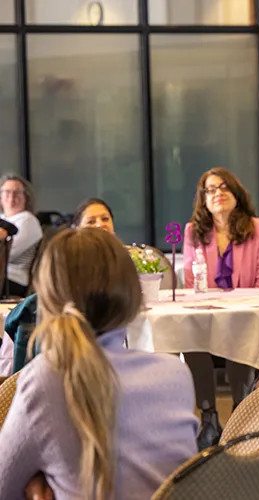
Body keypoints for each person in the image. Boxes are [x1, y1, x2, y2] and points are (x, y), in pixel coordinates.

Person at [0, 228, 198, 499]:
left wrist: (39, 487)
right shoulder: (176, 374)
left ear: (47, 298)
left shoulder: (44, 379)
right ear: (133, 294)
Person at [182, 167, 259, 449]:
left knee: (239, 333)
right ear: (203, 199)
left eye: (224, 187)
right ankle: (209, 417)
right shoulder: (192, 232)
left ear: (236, 194)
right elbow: (192, 284)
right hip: (208, 315)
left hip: (246, 316)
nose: (218, 194)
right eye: (211, 189)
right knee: (190, 339)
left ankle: (240, 413)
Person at [4, 197, 120, 376]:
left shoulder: (128, 258)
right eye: (91, 221)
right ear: (76, 230)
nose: (100, 225)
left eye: (105, 219)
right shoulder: (66, 265)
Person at [0, 174, 43, 297]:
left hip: (13, 278)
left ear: (26, 197)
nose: (11, 197)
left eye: (17, 193)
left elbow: (8, 254)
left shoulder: (27, 220)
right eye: (7, 192)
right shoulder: (2, 218)